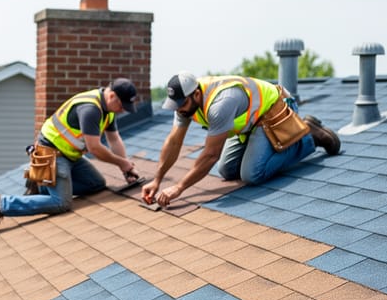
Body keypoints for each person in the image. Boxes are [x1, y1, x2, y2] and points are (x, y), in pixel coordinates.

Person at [142, 71, 341, 207]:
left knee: (252, 174)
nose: (179, 109)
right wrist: (157, 180)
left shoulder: (220, 104)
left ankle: (309, 135)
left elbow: (211, 155)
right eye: (175, 104)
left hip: (274, 111)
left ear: (196, 94)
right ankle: (269, 144)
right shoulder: (185, 104)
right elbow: (174, 142)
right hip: (248, 125)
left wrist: (179, 188)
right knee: (227, 170)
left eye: (182, 104)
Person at [0, 78, 141, 235]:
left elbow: (114, 139)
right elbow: (95, 148)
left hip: (70, 156)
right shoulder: (91, 109)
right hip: (52, 154)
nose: (122, 110)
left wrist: (125, 168)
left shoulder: (108, 110)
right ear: (112, 96)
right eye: (122, 105)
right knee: (61, 203)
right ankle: (1, 204)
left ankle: (41, 184)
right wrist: (121, 163)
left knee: (96, 184)